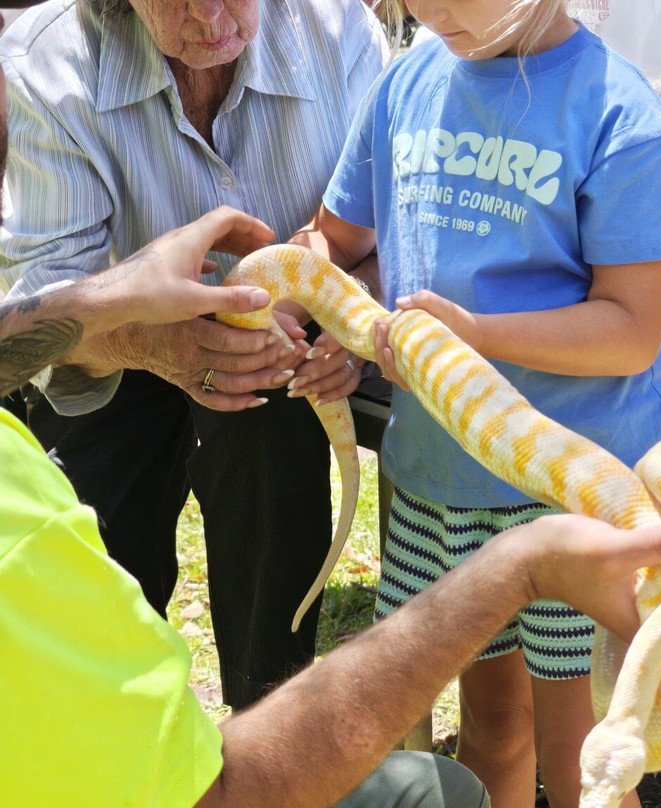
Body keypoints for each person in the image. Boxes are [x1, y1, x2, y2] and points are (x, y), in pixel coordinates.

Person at [0, 211, 661, 808]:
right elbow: (229, 792)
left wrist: (104, 301)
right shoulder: (19, 527)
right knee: (447, 775)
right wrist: (520, 567)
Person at [289, 0, 661, 804]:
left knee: (582, 741)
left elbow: (630, 331)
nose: (427, 8)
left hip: (579, 490)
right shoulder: (405, 83)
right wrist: (331, 314)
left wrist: (476, 335)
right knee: (493, 718)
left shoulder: (619, 111)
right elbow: (336, 241)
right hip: (442, 476)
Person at [0, 0, 387, 708]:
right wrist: (144, 334)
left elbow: (391, 223)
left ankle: (266, 730)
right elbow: (38, 319)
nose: (211, 18)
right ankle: (122, 740)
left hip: (284, 340)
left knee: (273, 472)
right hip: (112, 348)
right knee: (97, 583)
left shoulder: (341, 31)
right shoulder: (50, 60)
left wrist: (349, 323)